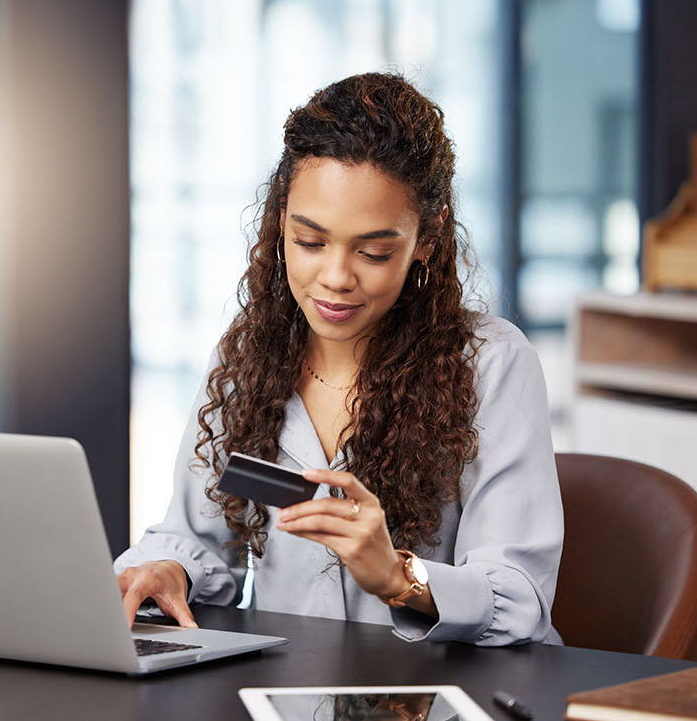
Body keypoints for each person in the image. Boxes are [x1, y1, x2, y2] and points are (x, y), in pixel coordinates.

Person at [114, 72, 562, 646]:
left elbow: (519, 596)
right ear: (281, 222)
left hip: (441, 707)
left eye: (374, 252)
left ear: (428, 237)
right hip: (288, 692)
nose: (335, 278)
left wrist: (400, 577)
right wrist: (167, 570)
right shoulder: (249, 354)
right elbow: (198, 540)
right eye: (309, 241)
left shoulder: (492, 364)